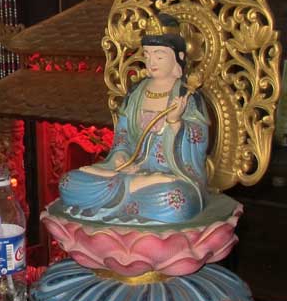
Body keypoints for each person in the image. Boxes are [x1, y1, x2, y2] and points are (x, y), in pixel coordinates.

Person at [58, 14, 209, 224]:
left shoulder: (187, 96)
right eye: (147, 55)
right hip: (129, 169)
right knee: (69, 183)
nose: (151, 62)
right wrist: (120, 156)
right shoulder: (136, 93)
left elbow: (198, 141)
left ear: (179, 56)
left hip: (169, 176)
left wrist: (176, 123)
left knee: (177, 201)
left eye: (159, 56)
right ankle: (129, 188)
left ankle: (124, 190)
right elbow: (123, 135)